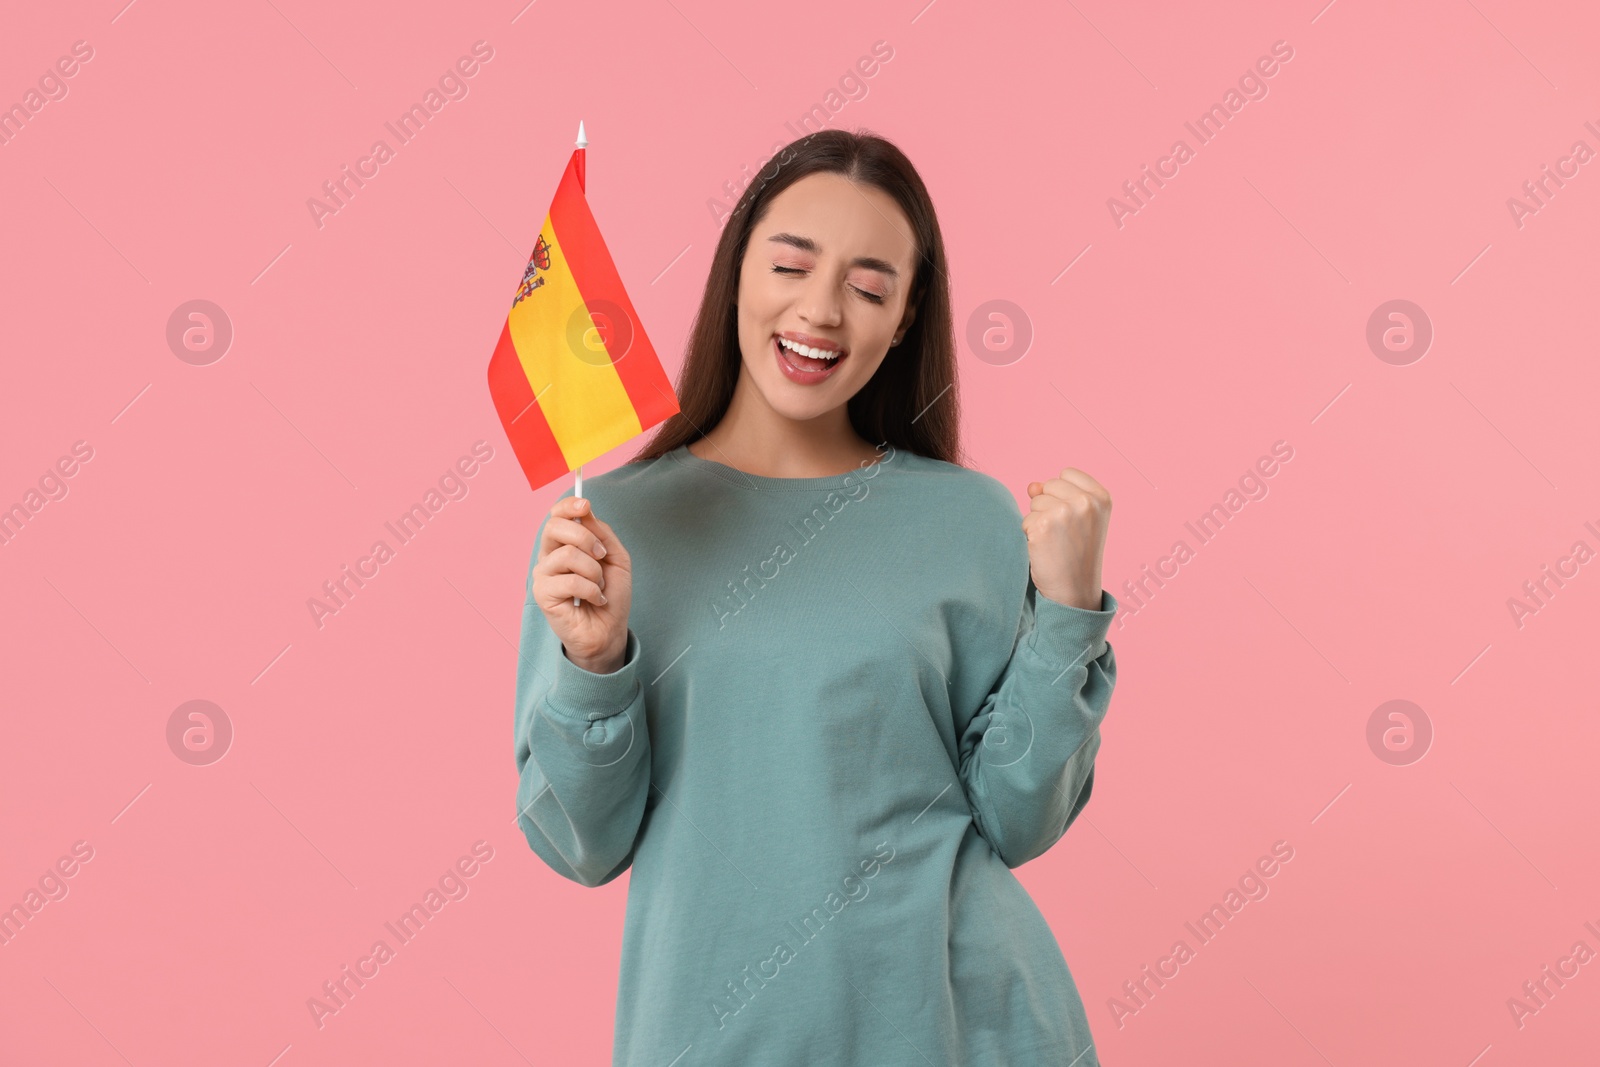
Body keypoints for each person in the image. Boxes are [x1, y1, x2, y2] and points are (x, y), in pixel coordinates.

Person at [514, 127, 1118, 1066]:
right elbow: (581, 843)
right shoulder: (606, 532)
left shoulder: (968, 520)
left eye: (869, 286)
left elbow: (1019, 818)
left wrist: (1067, 614)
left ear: (907, 316)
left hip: (959, 1029)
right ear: (737, 272)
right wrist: (594, 666)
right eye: (790, 265)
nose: (821, 310)